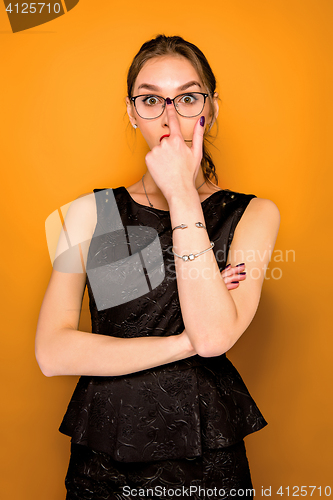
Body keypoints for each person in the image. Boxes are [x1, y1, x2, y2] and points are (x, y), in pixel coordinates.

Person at [36, 35, 280, 500]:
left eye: (187, 98)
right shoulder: (89, 213)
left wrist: (182, 192)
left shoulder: (255, 214)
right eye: (151, 100)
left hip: (206, 457)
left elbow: (215, 338)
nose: (170, 119)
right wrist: (183, 343)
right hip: (104, 455)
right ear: (131, 112)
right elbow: (52, 353)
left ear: (209, 106)